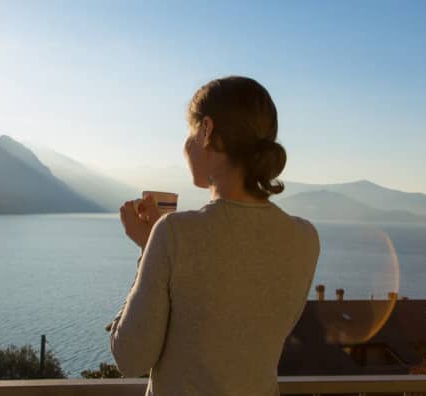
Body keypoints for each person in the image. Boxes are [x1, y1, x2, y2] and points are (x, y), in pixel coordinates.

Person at [109, 76, 320, 396]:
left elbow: (131, 358)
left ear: (206, 130)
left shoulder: (173, 233)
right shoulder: (305, 238)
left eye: (189, 132)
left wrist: (148, 250)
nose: (185, 145)